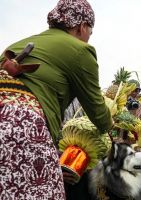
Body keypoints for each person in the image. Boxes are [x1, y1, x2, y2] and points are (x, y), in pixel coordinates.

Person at [0, 0, 113, 199]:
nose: (88, 38)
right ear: (82, 26)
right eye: (90, 32)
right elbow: (98, 113)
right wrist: (109, 124)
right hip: (21, 125)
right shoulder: (80, 50)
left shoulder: (16, 45)